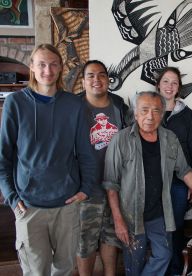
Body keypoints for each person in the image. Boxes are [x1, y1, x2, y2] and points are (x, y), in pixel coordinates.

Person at [0, 44, 96, 275]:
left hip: (67, 204)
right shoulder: (15, 103)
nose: (47, 70)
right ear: (32, 67)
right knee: (35, 270)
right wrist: (12, 198)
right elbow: (4, 157)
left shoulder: (74, 105)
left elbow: (85, 152)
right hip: (29, 206)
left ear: (61, 67)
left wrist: (86, 188)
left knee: (63, 268)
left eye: (53, 64)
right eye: (41, 64)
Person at [103, 91, 192, 276]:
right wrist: (118, 221)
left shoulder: (170, 139)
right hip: (131, 215)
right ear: (135, 113)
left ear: (162, 114)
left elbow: (184, 172)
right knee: (134, 263)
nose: (150, 116)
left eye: (156, 111)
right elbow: (111, 184)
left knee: (164, 255)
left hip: (159, 214)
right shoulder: (121, 140)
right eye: (144, 110)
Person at [76, 60, 131, 276]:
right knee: (85, 242)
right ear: (83, 81)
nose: (96, 80)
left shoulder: (119, 106)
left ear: (108, 79)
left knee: (111, 237)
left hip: (115, 186)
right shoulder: (75, 106)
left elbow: (130, 142)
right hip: (86, 188)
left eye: (101, 75)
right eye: (90, 75)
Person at [155, 67, 192, 275]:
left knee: (177, 226)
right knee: (158, 227)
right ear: (158, 84)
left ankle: (175, 270)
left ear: (179, 87)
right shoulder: (150, 110)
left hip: (181, 182)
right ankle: (162, 268)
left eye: (174, 83)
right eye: (166, 81)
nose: (170, 86)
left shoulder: (187, 114)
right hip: (154, 182)